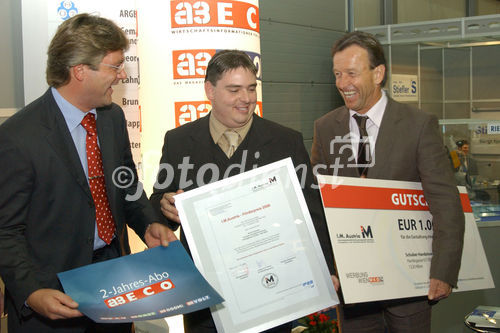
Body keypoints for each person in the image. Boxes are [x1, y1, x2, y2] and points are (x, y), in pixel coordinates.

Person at [0, 14, 176, 332]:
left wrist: (148, 223)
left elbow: (126, 186)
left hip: (114, 281)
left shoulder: (112, 118)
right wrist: (31, 293)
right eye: (115, 66)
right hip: (53, 297)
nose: (122, 75)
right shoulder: (17, 137)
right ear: (79, 70)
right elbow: (5, 230)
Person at [150, 49, 336, 333]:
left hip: (273, 289)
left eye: (251, 88)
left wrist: (327, 271)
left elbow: (313, 213)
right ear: (209, 90)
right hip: (206, 298)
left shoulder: (286, 141)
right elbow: (158, 207)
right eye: (234, 90)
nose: (246, 99)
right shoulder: (178, 142)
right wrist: (164, 209)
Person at [311, 31, 465, 332]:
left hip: (409, 287)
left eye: (352, 73)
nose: (343, 83)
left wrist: (443, 271)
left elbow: (445, 203)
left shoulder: (418, 125)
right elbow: (319, 206)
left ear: (378, 73)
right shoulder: (326, 128)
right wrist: (327, 268)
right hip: (353, 289)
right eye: (338, 74)